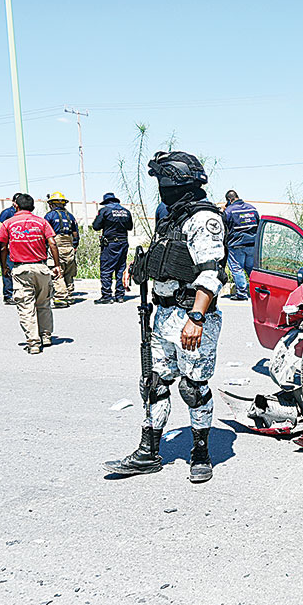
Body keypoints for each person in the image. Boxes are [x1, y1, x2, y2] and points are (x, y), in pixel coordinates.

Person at [104, 151, 227, 483]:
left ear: (177, 182)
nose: (161, 188)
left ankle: (200, 454)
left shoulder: (203, 219)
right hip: (163, 316)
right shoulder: (172, 217)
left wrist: (197, 318)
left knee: (194, 389)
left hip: (192, 317)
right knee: (155, 385)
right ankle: (148, 452)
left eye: (163, 181)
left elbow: (210, 272)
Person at [0, 193, 61, 354]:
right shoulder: (42, 222)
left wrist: (4, 266)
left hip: (21, 270)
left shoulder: (8, 224)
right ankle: (46, 336)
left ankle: (33, 343)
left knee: (26, 306)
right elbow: (52, 243)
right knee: (44, 303)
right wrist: (57, 265)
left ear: (16, 206)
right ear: (32, 207)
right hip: (41, 268)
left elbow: (3, 247)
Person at [92, 192, 133, 304]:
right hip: (123, 243)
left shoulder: (104, 211)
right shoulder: (126, 211)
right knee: (120, 269)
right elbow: (130, 227)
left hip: (110, 244)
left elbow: (96, 226)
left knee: (106, 269)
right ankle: (119, 295)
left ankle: (107, 296)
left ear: (106, 202)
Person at [43, 192, 79, 308]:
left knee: (56, 271)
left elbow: (45, 233)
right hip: (69, 246)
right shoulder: (70, 216)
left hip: (56, 246)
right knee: (69, 272)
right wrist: (74, 246)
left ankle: (60, 298)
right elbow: (75, 234)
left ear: (51, 204)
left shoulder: (50, 216)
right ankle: (68, 295)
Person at [222, 189, 260, 301]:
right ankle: (258, 291)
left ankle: (242, 294)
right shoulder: (252, 208)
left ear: (229, 200)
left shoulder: (229, 211)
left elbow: (224, 226)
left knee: (237, 269)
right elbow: (258, 223)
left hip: (236, 245)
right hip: (252, 245)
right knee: (251, 269)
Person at [0, 193, 20, 305]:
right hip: (9, 246)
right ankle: (8, 295)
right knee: (7, 270)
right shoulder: (8, 212)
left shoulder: (21, 213)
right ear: (14, 202)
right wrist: (7, 240)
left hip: (19, 246)